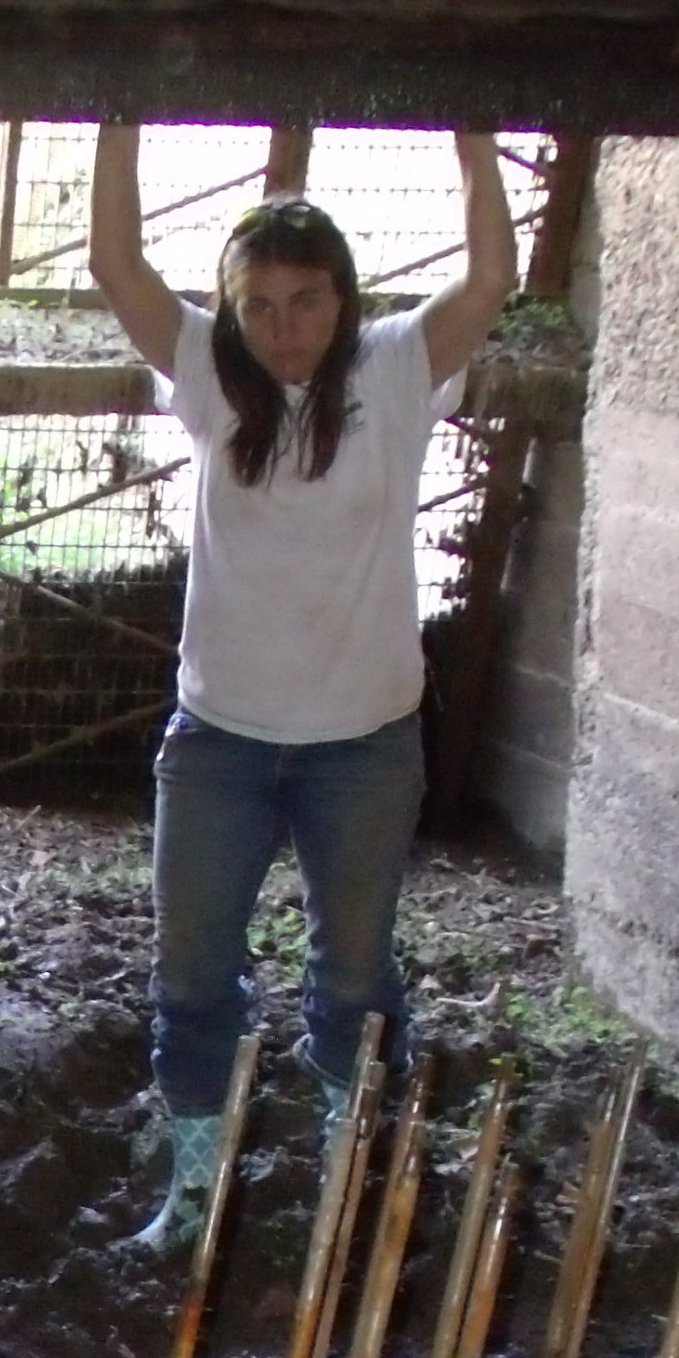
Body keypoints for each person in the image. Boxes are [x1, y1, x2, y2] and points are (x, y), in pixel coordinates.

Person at [88, 125, 517, 1251]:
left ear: (344, 300)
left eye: (307, 300)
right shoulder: (207, 375)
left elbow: (490, 280)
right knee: (190, 977)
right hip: (219, 735)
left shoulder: (394, 368)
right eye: (261, 304)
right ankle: (191, 1196)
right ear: (230, 309)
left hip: (363, 742)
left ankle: (349, 1191)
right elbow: (116, 270)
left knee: (356, 979)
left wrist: (474, 137)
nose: (285, 328)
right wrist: (116, 119)